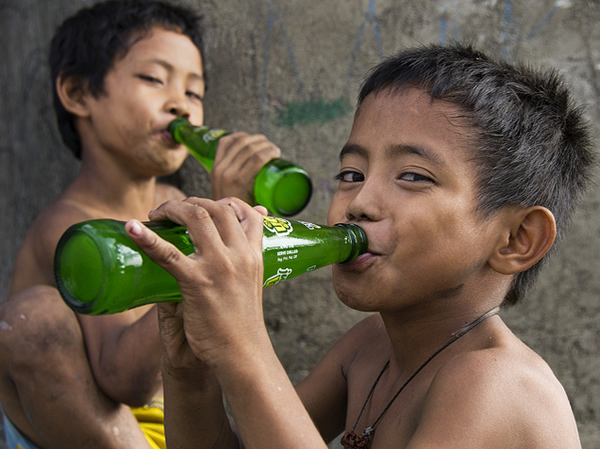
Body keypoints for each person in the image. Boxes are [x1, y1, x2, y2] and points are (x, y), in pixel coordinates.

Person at [127, 44, 594, 448]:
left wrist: (241, 342)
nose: (359, 202)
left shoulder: (496, 384)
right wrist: (189, 369)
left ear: (516, 239)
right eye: (351, 175)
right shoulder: (369, 349)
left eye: (413, 177)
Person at [0, 1, 282, 448]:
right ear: (77, 93)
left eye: (194, 92)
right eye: (154, 79)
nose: (180, 106)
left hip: (181, 433)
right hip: (108, 433)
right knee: (31, 317)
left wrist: (231, 226)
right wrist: (213, 245)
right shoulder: (70, 225)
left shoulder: (174, 204)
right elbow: (125, 378)